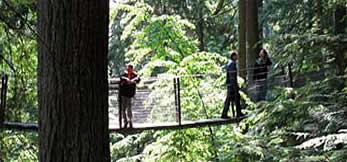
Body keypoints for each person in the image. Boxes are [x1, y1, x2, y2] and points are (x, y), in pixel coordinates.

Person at [222, 51, 244, 118]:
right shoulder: (232, 64)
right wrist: (235, 86)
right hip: (232, 85)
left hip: (231, 85)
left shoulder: (230, 63)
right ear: (233, 56)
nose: (237, 57)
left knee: (235, 98)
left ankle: (238, 112)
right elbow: (232, 76)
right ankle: (226, 114)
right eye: (236, 56)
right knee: (232, 98)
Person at [119, 63, 140, 128]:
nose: (129, 70)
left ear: (132, 69)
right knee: (123, 109)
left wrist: (133, 81)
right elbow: (121, 78)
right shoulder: (124, 75)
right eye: (128, 68)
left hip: (130, 94)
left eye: (130, 69)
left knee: (129, 108)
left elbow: (138, 79)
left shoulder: (135, 75)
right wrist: (126, 80)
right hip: (123, 94)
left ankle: (130, 121)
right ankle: (125, 121)